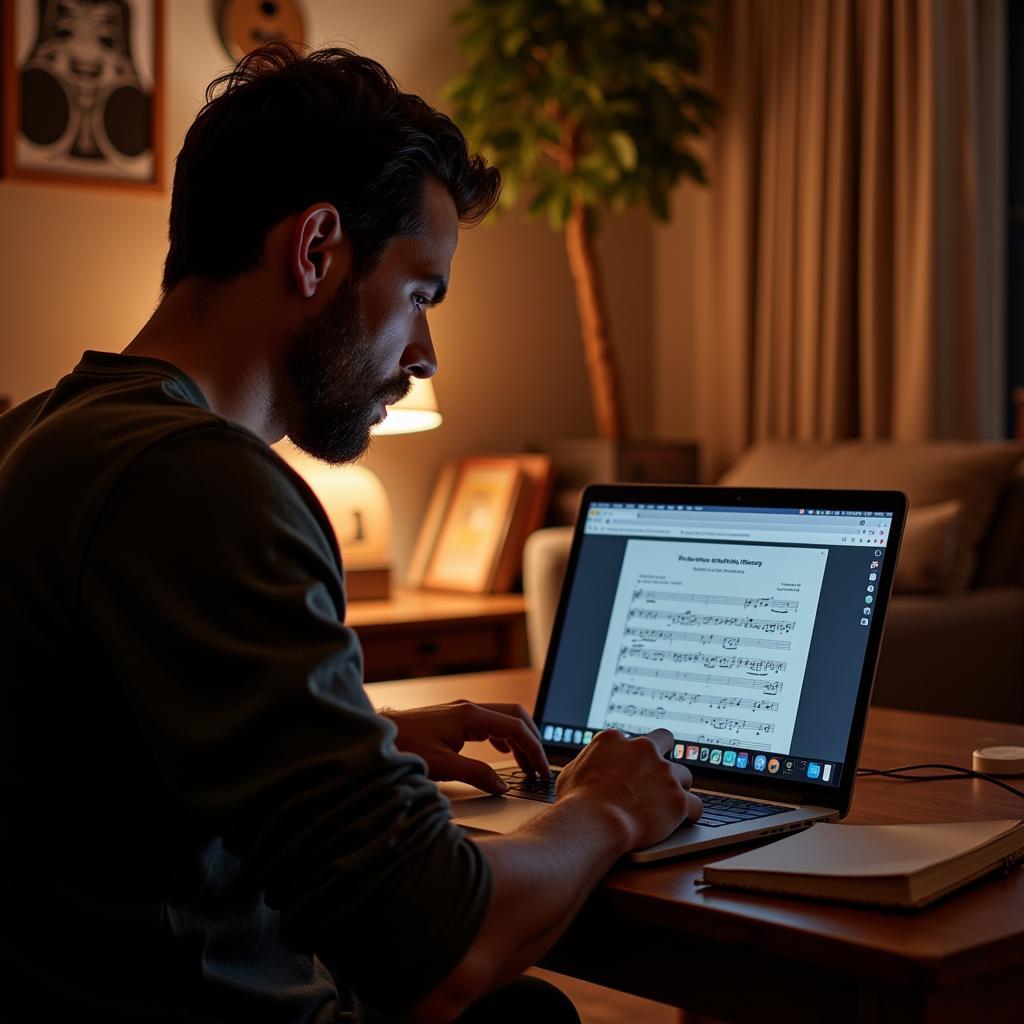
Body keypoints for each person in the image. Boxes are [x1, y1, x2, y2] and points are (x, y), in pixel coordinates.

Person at [0, 45, 702, 1023]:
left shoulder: (41, 431)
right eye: (420, 293)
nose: (423, 354)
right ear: (316, 247)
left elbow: (101, 759)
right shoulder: (198, 481)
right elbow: (442, 944)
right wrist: (611, 805)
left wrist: (357, 742)